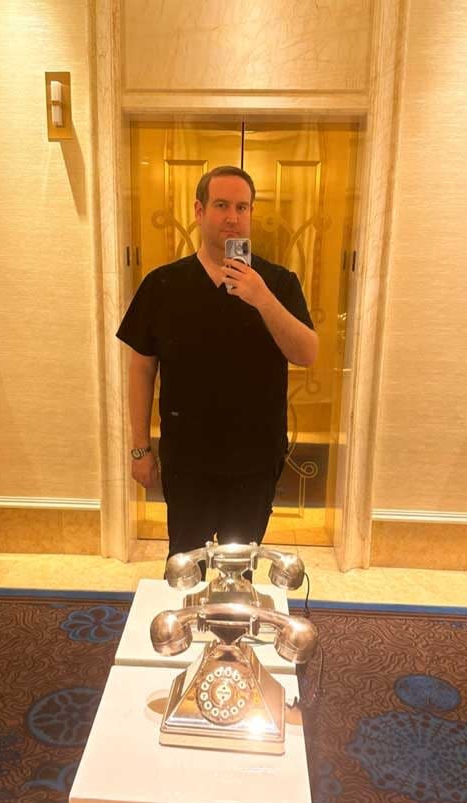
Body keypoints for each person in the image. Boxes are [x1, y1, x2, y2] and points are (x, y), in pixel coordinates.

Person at [117, 165, 318, 561]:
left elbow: (307, 353)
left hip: (255, 460)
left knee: (239, 570)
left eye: (242, 207)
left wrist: (261, 298)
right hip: (187, 458)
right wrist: (140, 449)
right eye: (222, 204)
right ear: (199, 210)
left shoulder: (277, 282)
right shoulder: (163, 285)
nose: (232, 216)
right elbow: (141, 368)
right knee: (184, 566)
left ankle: (230, 626)